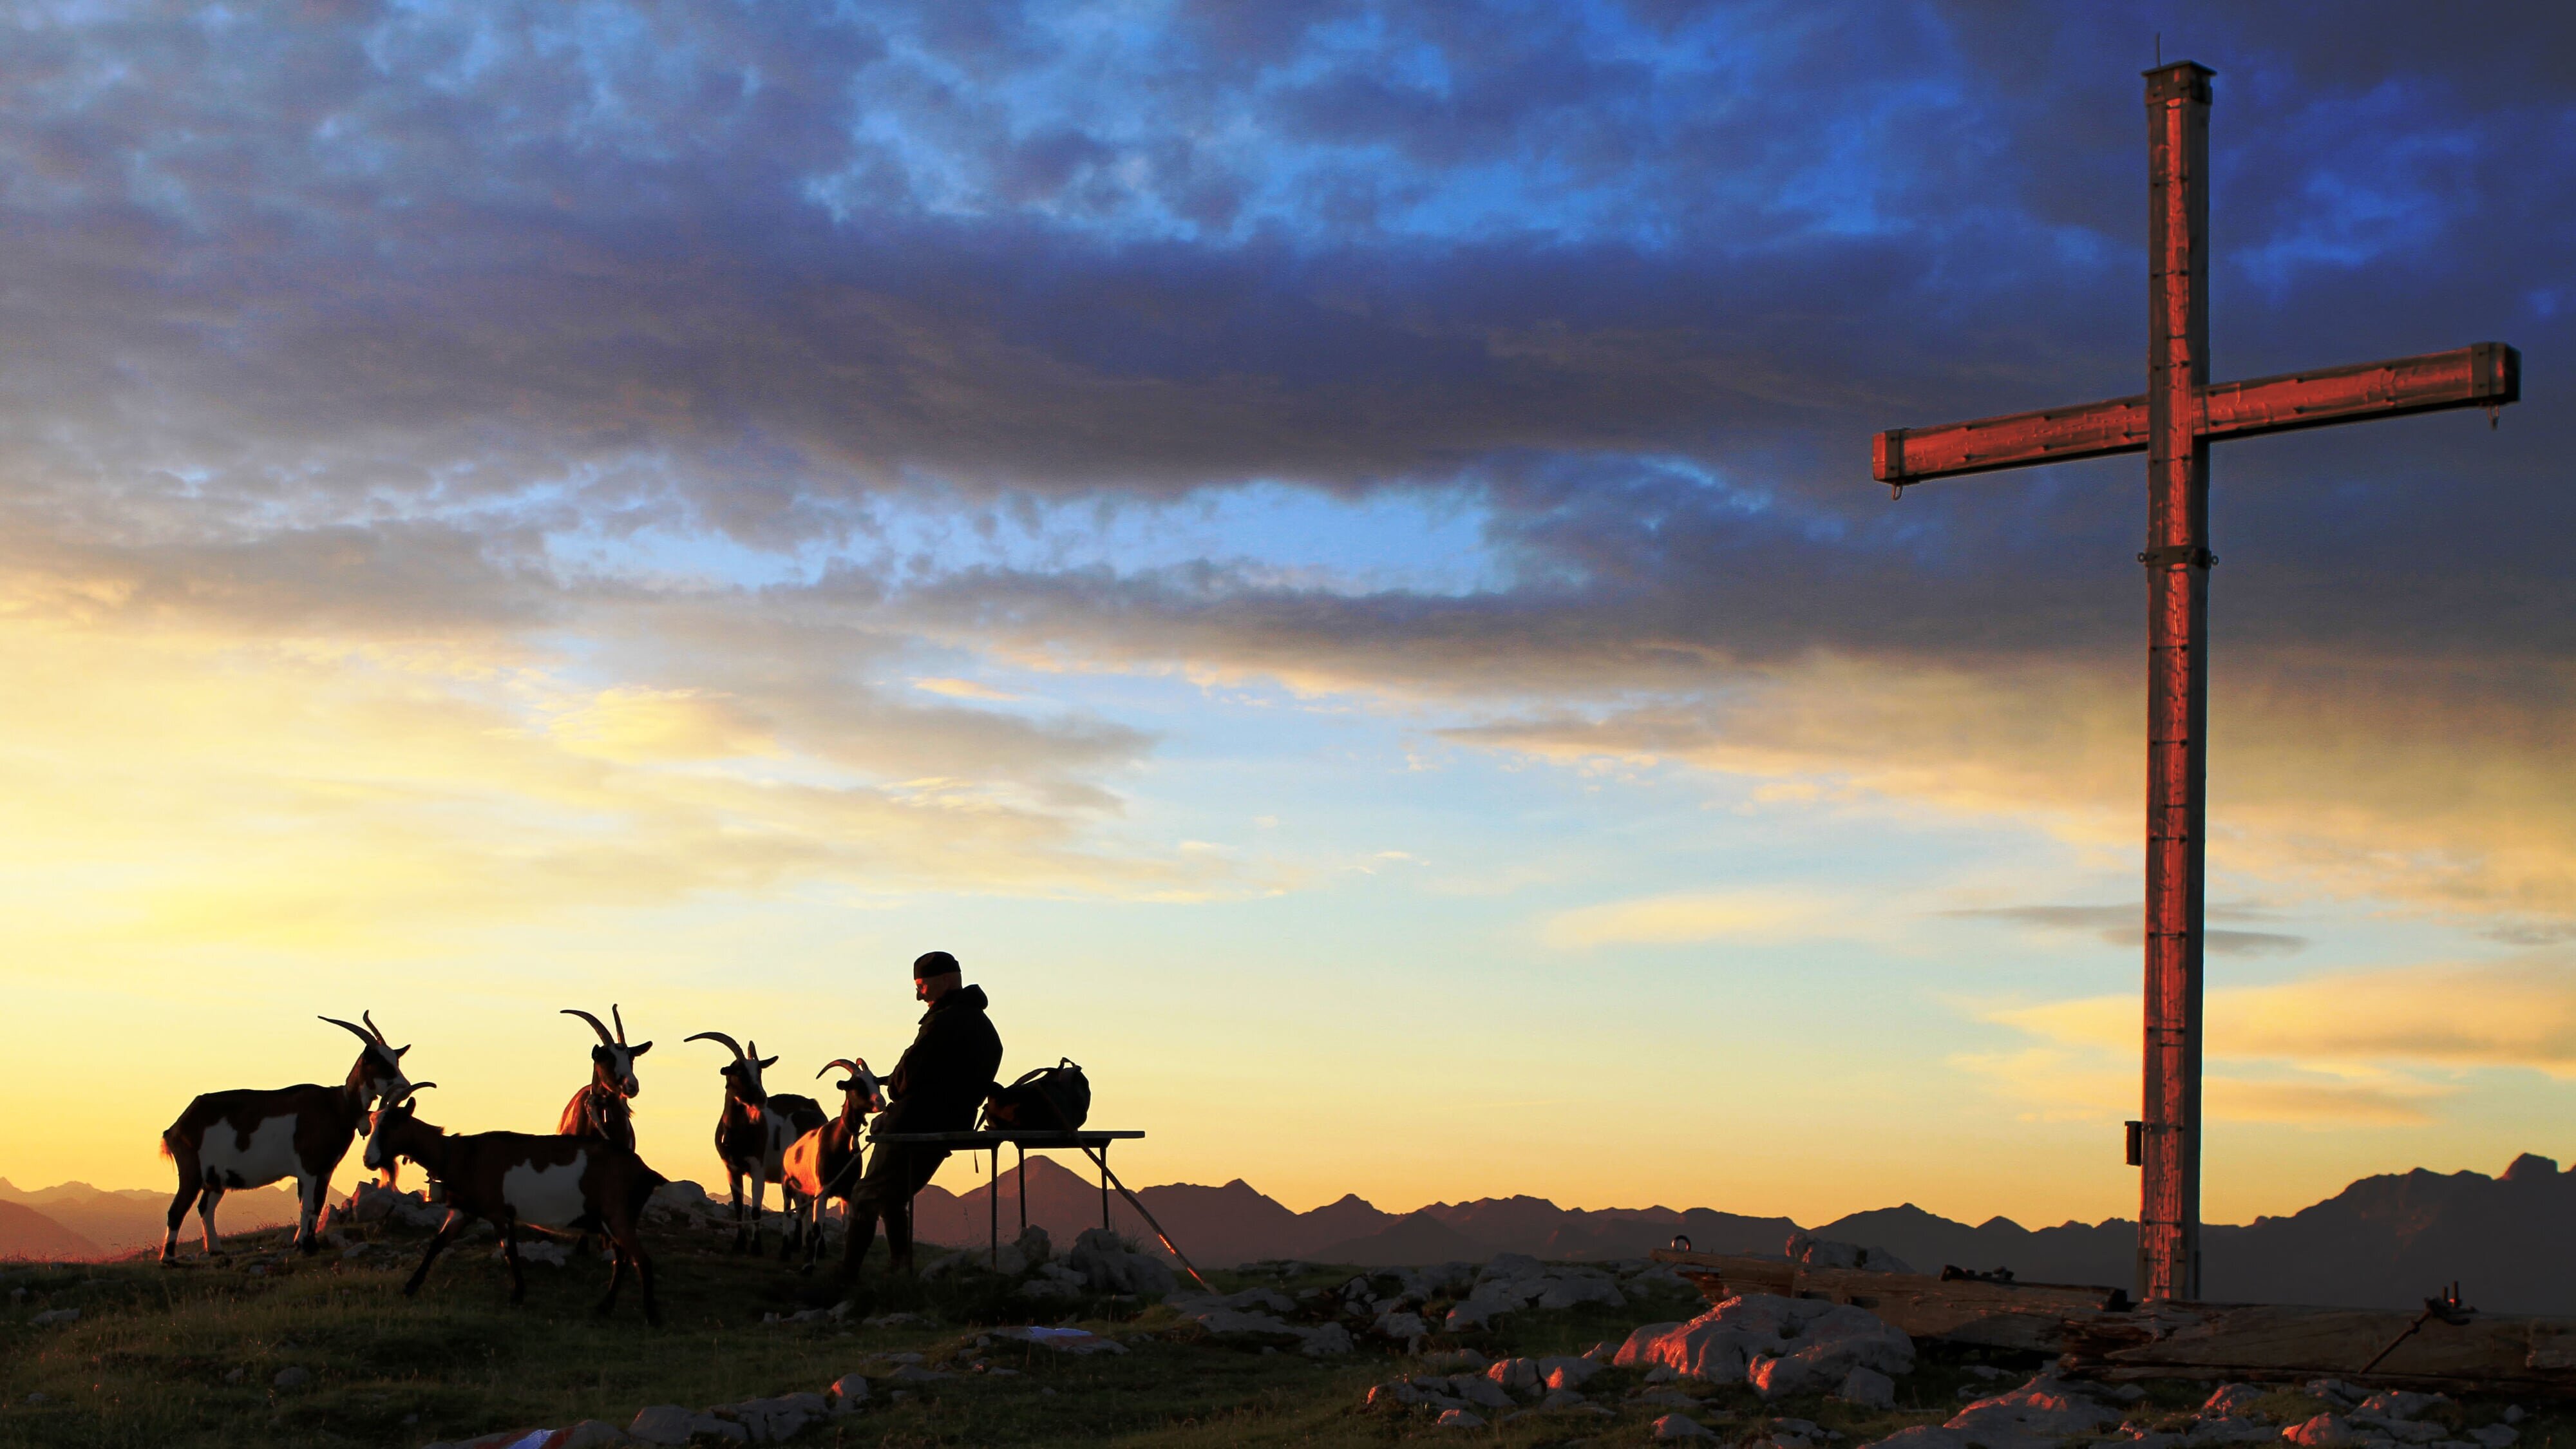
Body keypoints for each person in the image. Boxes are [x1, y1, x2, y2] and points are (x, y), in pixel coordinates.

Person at [842, 949, 1003, 1274]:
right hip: (953, 1124)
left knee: (864, 1195)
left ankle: (846, 1279)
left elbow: (906, 1078)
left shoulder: (943, 1023)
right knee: (892, 1197)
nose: (918, 996)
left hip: (914, 1126)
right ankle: (900, 1273)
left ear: (945, 981)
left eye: (922, 986)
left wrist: (893, 1086)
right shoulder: (984, 1026)